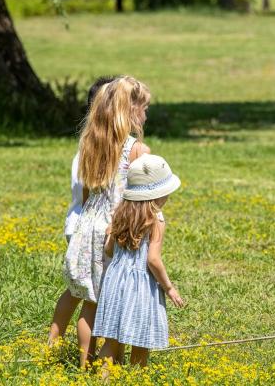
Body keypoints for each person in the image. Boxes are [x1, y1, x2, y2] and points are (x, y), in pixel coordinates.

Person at [62, 76, 151, 367]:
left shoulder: (92, 142)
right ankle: (112, 361)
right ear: (130, 110)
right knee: (117, 300)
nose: (146, 114)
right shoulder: (137, 150)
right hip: (117, 230)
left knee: (91, 303)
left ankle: (84, 364)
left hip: (89, 225)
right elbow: (141, 196)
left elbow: (86, 191)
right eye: (144, 107)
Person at [94, 154, 186, 370]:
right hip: (141, 285)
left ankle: (102, 381)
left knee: (111, 340)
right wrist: (169, 288)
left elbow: (108, 250)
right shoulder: (156, 219)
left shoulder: (120, 213)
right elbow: (153, 259)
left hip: (115, 280)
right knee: (141, 341)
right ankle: (137, 379)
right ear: (159, 194)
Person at [47, 75, 116, 348]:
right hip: (87, 227)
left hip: (76, 224)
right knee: (92, 296)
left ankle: (54, 341)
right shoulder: (97, 147)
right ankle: (84, 355)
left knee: (76, 291)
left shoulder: (87, 142)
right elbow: (91, 192)